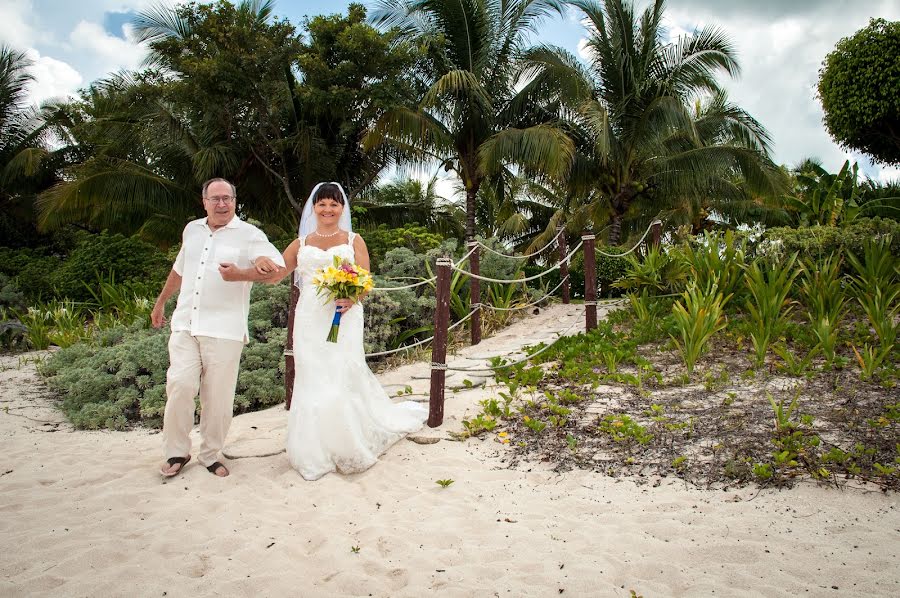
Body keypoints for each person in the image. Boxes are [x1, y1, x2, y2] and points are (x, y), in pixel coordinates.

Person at [255, 182, 427, 480]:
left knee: (340, 373)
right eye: (322, 204)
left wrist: (353, 296)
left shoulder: (353, 240)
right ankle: (313, 449)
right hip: (309, 317)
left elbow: (365, 279)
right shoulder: (301, 243)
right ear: (313, 208)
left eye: (333, 204)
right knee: (311, 376)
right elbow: (278, 274)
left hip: (344, 316)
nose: (327, 209)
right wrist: (254, 263)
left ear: (342, 208)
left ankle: (346, 442)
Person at [152, 178, 286, 478]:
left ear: (235, 201)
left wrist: (245, 272)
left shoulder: (249, 234)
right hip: (186, 323)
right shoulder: (192, 230)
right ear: (204, 202)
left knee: (218, 397)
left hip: (225, 329)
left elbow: (274, 269)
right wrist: (161, 303)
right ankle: (176, 452)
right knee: (180, 385)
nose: (222, 204)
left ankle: (211, 454)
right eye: (216, 199)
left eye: (227, 198)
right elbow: (178, 269)